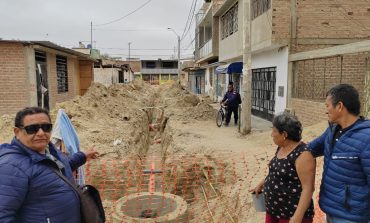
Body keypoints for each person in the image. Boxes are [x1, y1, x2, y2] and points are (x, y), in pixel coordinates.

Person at [0, 107, 99, 223]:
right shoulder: (12, 167)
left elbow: (58, 170)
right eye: (32, 129)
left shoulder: (48, 150)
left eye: (46, 127)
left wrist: (82, 156)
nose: (41, 133)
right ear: (17, 132)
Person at [307, 84, 370, 223]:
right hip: (330, 209)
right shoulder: (333, 130)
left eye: (327, 106)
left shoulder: (366, 137)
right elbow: (310, 149)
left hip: (352, 216)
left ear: (340, 106)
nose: (326, 111)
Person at [251, 112, 316, 223]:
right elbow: (276, 173)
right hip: (273, 210)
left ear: (284, 134)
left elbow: (308, 188)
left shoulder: (303, 155)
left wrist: (297, 217)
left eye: (274, 131)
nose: (271, 134)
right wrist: (262, 184)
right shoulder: (281, 147)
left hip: (291, 215)